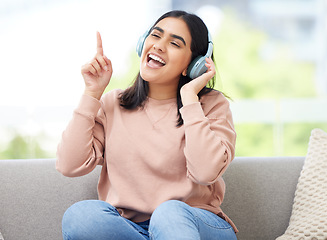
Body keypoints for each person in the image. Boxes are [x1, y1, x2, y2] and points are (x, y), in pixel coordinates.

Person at [56, 10, 237, 240]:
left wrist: (190, 98)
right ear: (143, 44)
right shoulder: (113, 103)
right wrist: (92, 93)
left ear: (194, 65)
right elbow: (69, 165)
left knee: (168, 213)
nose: (159, 46)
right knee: (81, 215)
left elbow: (205, 172)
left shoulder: (211, 105)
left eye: (174, 43)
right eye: (155, 35)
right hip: (129, 229)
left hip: (194, 223)